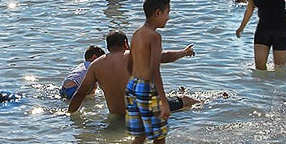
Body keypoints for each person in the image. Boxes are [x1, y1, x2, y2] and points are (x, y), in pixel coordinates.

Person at [67, 30, 196, 115]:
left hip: (117, 116)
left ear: (108, 47)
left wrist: (69, 115)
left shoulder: (96, 65)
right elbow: (164, 56)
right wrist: (184, 52)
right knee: (187, 100)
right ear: (125, 43)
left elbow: (79, 94)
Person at [126, 0, 173, 144]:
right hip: (146, 87)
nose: (168, 17)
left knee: (140, 135)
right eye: (167, 13)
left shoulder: (137, 34)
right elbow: (155, 70)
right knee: (159, 136)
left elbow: (129, 65)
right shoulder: (154, 36)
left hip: (133, 85)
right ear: (158, 13)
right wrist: (164, 101)